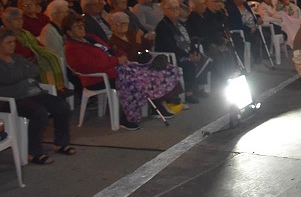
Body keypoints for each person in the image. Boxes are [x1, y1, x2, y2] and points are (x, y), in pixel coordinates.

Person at [63, 11, 179, 130]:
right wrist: (116, 61)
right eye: (76, 26)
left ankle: (157, 105)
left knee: (152, 73)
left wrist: (120, 56)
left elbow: (110, 50)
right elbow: (92, 65)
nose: (81, 28)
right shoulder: (72, 48)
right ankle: (127, 118)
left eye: (82, 25)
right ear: (69, 32)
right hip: (98, 78)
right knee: (135, 81)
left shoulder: (91, 38)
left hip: (116, 69)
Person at [0, 28, 75, 165]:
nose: (12, 45)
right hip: (13, 99)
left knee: (62, 106)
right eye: (8, 42)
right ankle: (33, 152)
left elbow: (35, 69)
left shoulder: (17, 58)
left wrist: (20, 73)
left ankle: (60, 143)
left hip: (34, 92)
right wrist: (23, 72)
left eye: (14, 42)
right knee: (39, 112)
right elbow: (8, 78)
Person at [153, 0, 205, 104]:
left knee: (204, 59)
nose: (175, 11)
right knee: (188, 64)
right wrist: (188, 55)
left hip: (185, 52)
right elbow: (169, 46)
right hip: (171, 55)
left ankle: (197, 86)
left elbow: (188, 41)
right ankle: (189, 93)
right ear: (164, 10)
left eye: (177, 8)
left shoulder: (180, 24)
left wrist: (194, 52)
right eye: (171, 8)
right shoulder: (163, 26)